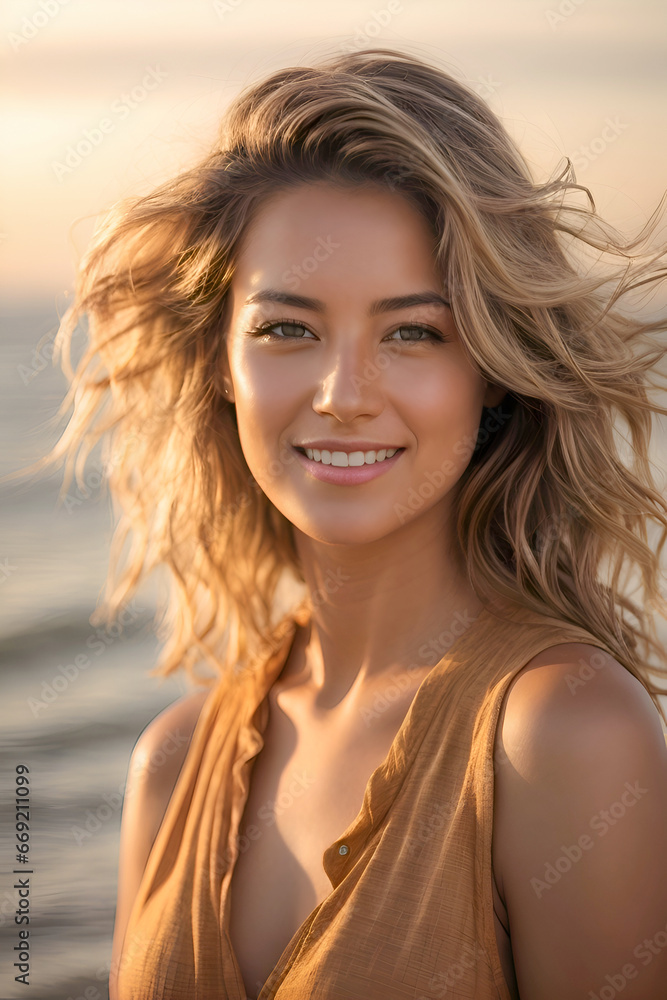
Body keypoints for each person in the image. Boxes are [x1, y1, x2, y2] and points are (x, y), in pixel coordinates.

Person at [39, 46, 667, 999]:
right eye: (287, 328)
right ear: (221, 363)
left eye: (412, 331)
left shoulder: (562, 738)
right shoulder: (169, 766)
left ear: (490, 369)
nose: (342, 396)